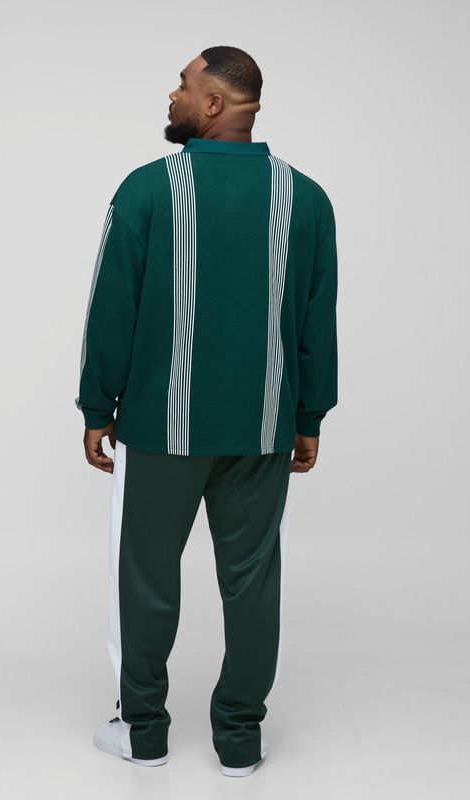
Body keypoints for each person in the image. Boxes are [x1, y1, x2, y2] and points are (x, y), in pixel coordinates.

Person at [75, 45, 338, 777]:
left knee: (146, 577)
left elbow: (112, 308)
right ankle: (239, 741)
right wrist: (308, 417)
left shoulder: (146, 190)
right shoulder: (307, 199)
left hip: (161, 427)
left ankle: (143, 731)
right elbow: (317, 322)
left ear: (214, 104)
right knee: (251, 581)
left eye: (184, 84)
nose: (173, 94)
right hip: (262, 428)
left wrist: (97, 404)